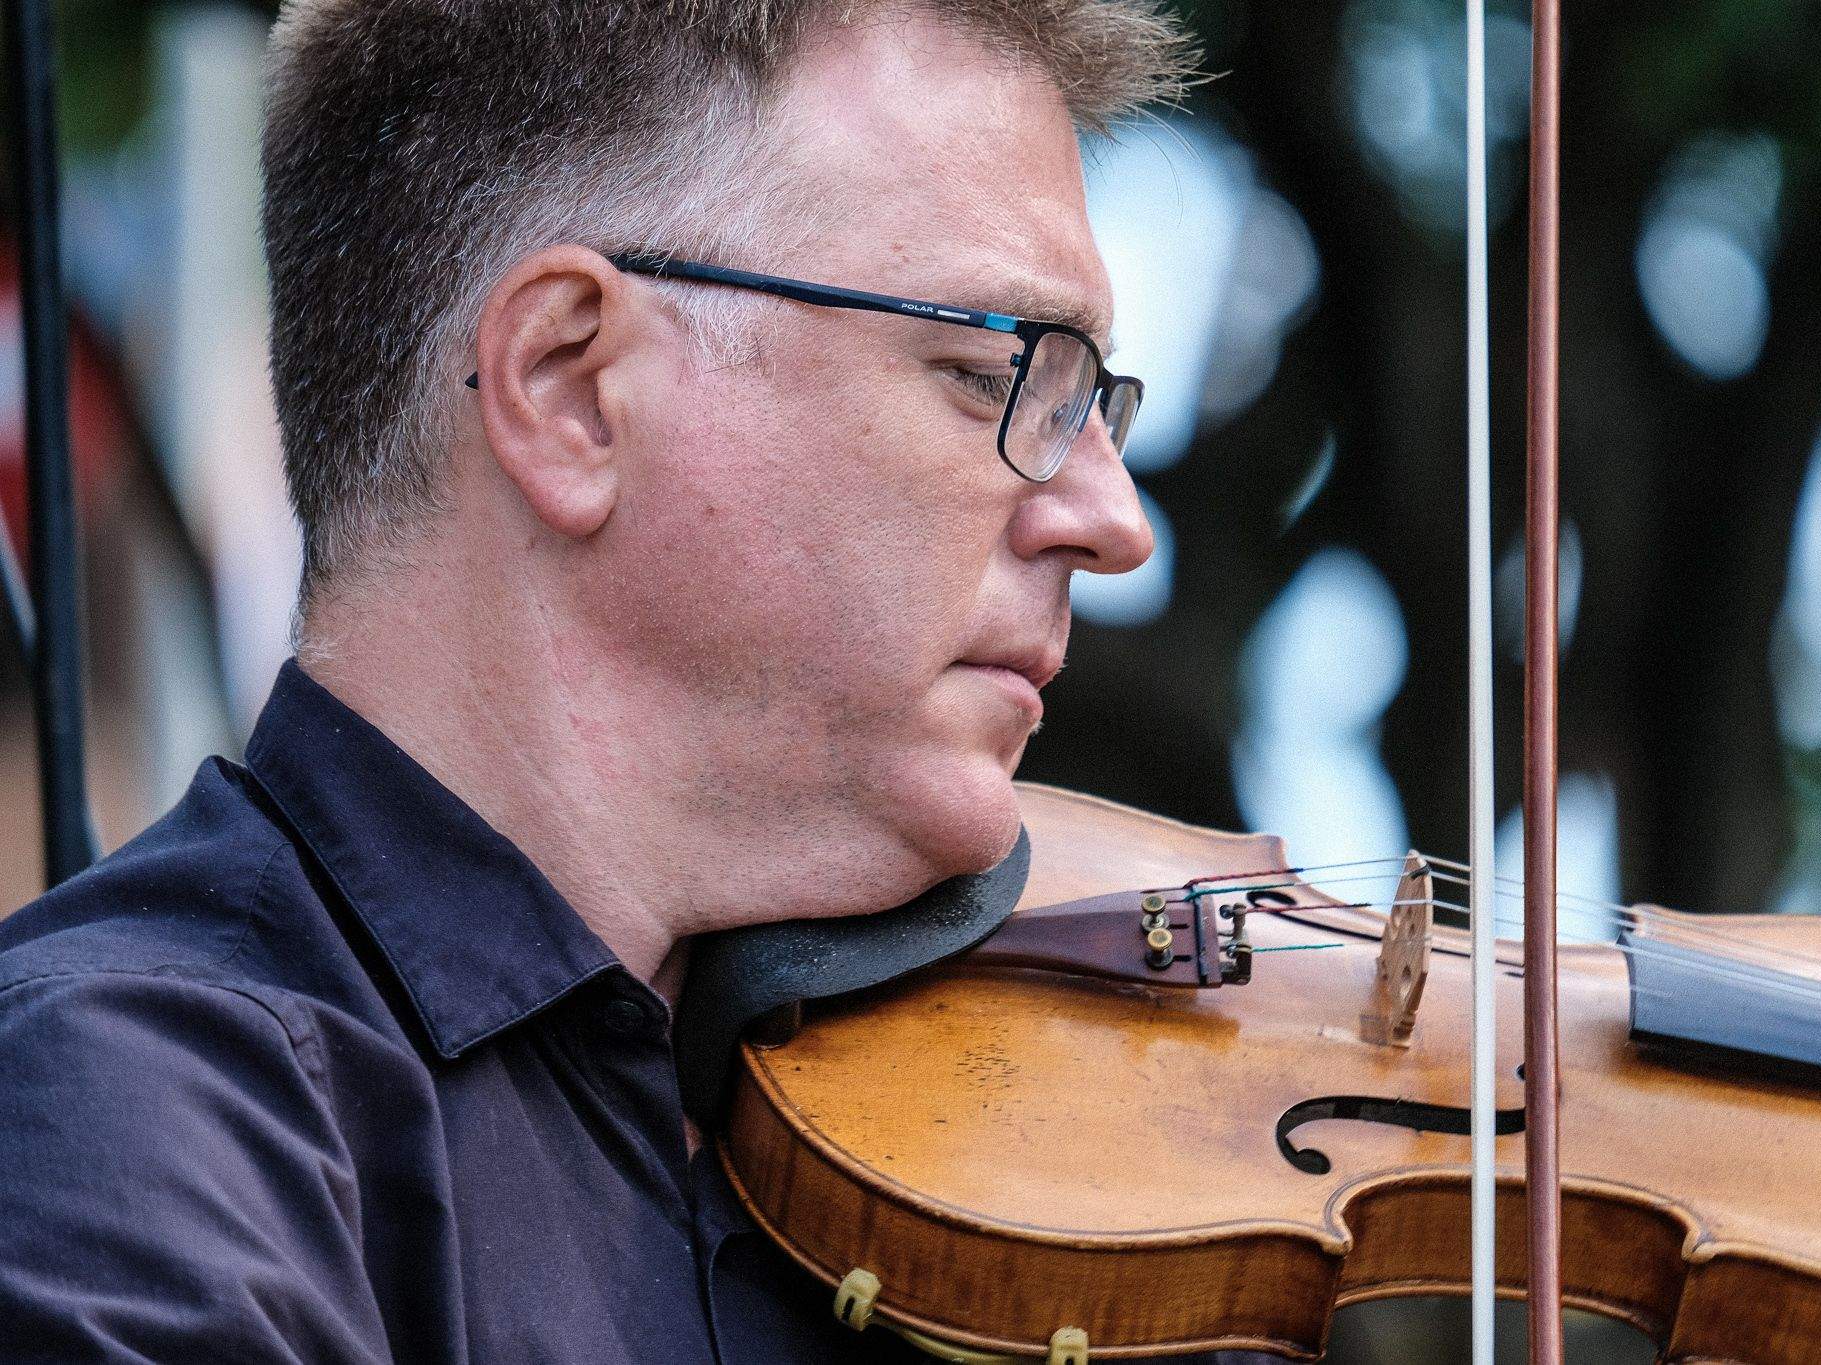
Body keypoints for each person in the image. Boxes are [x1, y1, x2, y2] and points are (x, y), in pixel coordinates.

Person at [0, 2, 1248, 1360]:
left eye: (1094, 405)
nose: (1114, 520)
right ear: (569, 385)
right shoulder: (124, 1125)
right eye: (991, 374)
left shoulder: (1033, 1198)